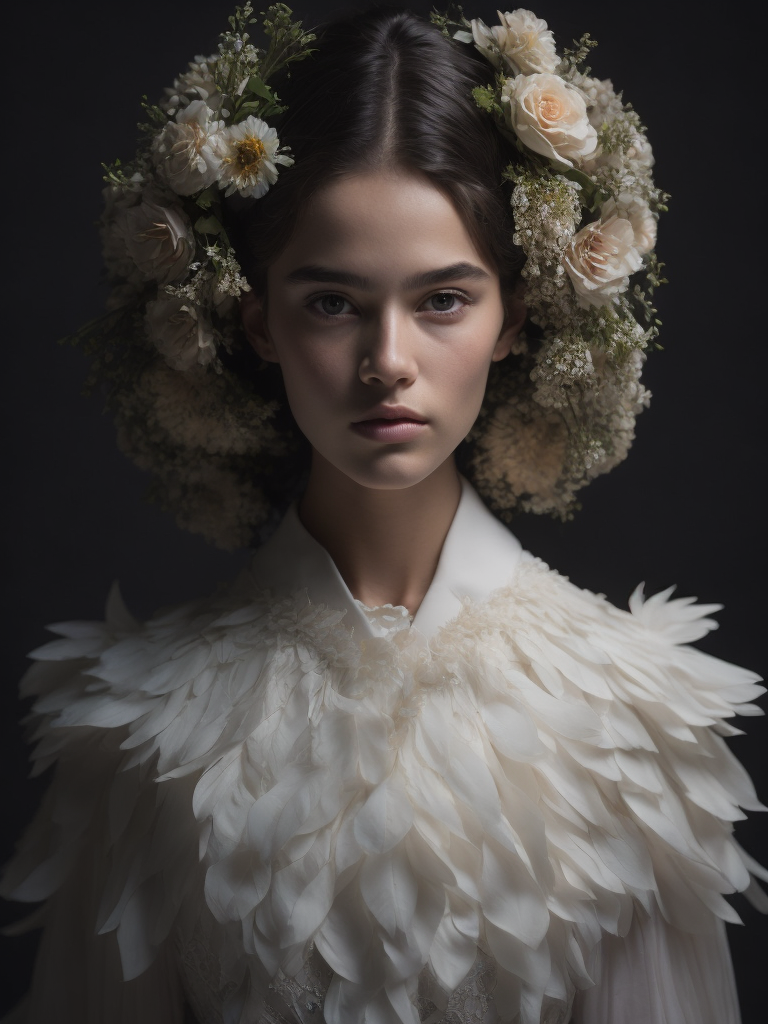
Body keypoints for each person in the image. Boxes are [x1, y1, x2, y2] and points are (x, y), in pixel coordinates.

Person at [1, 3, 765, 1023]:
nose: (389, 362)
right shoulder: (138, 740)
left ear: (515, 318)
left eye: (444, 298)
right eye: (332, 301)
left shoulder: (634, 733)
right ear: (256, 318)